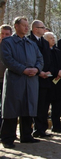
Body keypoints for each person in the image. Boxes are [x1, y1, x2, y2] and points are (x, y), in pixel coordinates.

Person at [0, 16, 43, 148]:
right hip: (15, 79)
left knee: (28, 107)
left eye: (27, 25)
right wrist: (23, 69)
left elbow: (40, 59)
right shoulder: (8, 42)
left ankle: (26, 135)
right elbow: (8, 60)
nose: (26, 27)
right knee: (12, 109)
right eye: (23, 25)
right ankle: (8, 138)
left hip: (31, 80)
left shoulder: (31, 43)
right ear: (16, 26)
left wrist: (36, 69)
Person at [27, 20, 52, 138]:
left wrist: (47, 72)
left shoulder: (45, 43)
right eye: (42, 27)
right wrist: (39, 71)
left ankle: (41, 128)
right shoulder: (28, 41)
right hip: (33, 77)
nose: (44, 29)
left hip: (45, 78)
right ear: (35, 29)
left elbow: (47, 58)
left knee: (44, 105)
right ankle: (34, 128)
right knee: (34, 105)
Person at [43, 32, 61, 133]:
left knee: (57, 105)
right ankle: (42, 128)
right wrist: (56, 72)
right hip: (47, 81)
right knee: (45, 106)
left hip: (58, 81)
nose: (53, 40)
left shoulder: (57, 51)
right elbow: (46, 65)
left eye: (53, 38)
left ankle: (57, 126)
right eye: (50, 38)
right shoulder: (44, 51)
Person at [0, 24, 12, 127]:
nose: (4, 36)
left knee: (6, 107)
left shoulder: (13, 47)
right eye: (2, 34)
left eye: (7, 34)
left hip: (8, 80)